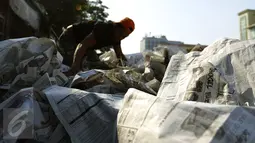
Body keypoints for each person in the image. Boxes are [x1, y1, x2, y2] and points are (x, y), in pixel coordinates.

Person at [57, 17, 135, 76]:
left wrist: (129, 68)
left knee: (96, 64)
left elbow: (120, 56)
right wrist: (75, 65)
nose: (120, 37)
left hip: (85, 45)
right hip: (70, 37)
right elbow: (83, 45)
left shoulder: (117, 38)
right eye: (121, 33)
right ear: (117, 26)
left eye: (124, 36)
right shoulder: (104, 29)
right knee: (71, 65)